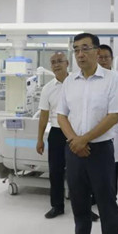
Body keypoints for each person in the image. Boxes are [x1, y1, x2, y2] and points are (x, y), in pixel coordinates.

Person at [57, 33, 118, 234]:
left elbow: (113, 116)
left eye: (85, 48)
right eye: (76, 49)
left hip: (100, 150)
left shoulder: (112, 79)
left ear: (97, 51)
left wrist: (84, 139)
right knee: (79, 203)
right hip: (74, 149)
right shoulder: (70, 81)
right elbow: (61, 115)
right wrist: (74, 141)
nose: (80, 54)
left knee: (106, 205)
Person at [36, 52, 69, 219]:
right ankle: (57, 206)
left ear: (67, 63)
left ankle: (84, 206)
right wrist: (39, 139)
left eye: (60, 61)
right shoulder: (47, 88)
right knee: (55, 172)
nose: (56, 65)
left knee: (80, 172)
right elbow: (44, 116)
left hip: (75, 133)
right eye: (53, 62)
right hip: (56, 133)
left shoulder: (77, 83)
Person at [97, 44, 118, 196]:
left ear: (112, 59)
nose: (103, 60)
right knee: (96, 165)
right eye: (100, 57)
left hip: (115, 125)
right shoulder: (91, 77)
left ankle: (112, 196)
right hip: (96, 126)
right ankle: (95, 196)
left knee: (112, 163)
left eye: (106, 57)